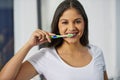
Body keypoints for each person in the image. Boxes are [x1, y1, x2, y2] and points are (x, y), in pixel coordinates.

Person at [0, 0, 108, 80]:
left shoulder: (97, 52)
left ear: (84, 23)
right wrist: (29, 45)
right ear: (57, 26)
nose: (71, 28)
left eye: (77, 21)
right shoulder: (46, 56)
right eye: (65, 22)